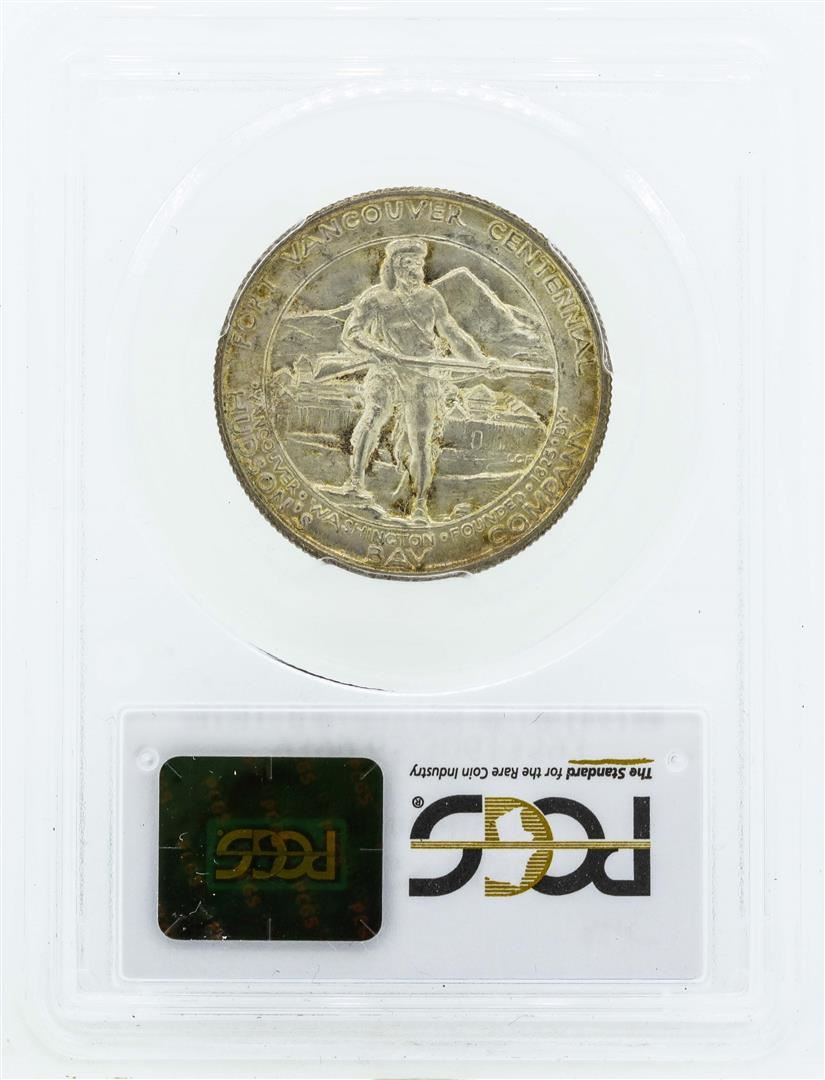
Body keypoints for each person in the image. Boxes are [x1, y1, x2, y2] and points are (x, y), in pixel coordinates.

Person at [340, 238, 496, 522]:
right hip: (386, 369)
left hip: (422, 373)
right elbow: (352, 333)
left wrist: (482, 362)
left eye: (419, 262)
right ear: (396, 266)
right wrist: (381, 351)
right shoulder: (375, 297)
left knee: (421, 441)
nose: (416, 268)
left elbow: (453, 333)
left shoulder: (431, 298)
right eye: (409, 262)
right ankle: (355, 483)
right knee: (374, 413)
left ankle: (420, 505)